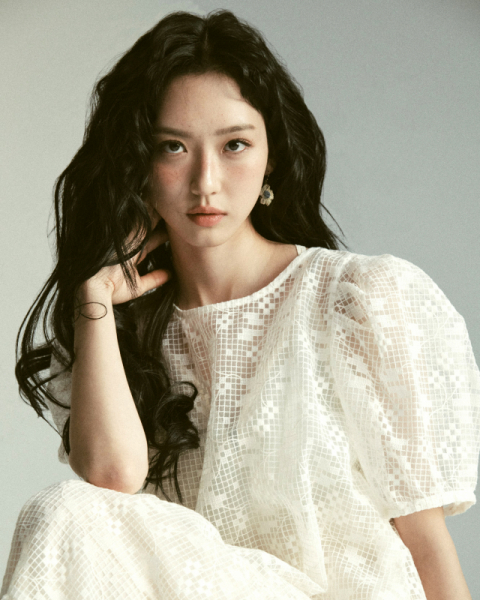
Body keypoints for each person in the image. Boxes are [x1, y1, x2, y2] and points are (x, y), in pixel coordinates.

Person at [2, 9, 479, 600]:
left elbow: (425, 540)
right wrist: (94, 301)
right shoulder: (122, 331)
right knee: (65, 510)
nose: (206, 181)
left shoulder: (356, 300)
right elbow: (112, 480)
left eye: (234, 145)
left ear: (270, 155)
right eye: (173, 147)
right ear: (139, 165)